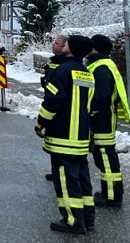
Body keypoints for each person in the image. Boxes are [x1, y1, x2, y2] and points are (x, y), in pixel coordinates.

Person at [35, 34, 96, 235]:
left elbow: (52, 102)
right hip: (80, 137)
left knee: (65, 181)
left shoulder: (62, 71)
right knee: (82, 180)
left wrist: (41, 124)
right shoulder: (87, 73)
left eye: (67, 43)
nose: (64, 45)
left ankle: (73, 221)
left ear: (72, 49)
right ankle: (87, 219)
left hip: (62, 136)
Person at [85, 34, 130, 207]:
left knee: (105, 158)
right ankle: (109, 193)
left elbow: (101, 97)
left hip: (102, 120)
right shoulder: (102, 64)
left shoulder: (101, 68)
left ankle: (112, 197)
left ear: (96, 48)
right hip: (103, 118)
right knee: (103, 157)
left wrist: (88, 110)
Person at [42, 34, 71, 181]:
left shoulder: (65, 65)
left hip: (61, 109)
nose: (53, 44)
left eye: (57, 43)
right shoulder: (54, 62)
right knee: (53, 143)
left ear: (65, 47)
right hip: (54, 105)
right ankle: (56, 172)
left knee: (60, 145)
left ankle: (62, 174)